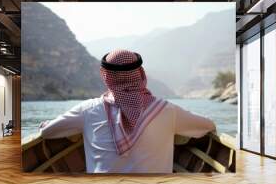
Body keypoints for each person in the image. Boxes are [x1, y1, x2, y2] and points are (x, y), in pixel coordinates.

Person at [39, 49, 216, 173]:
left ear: (105, 75)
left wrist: (47, 124)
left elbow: (47, 132)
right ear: (140, 73)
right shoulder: (167, 110)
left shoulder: (87, 109)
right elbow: (207, 125)